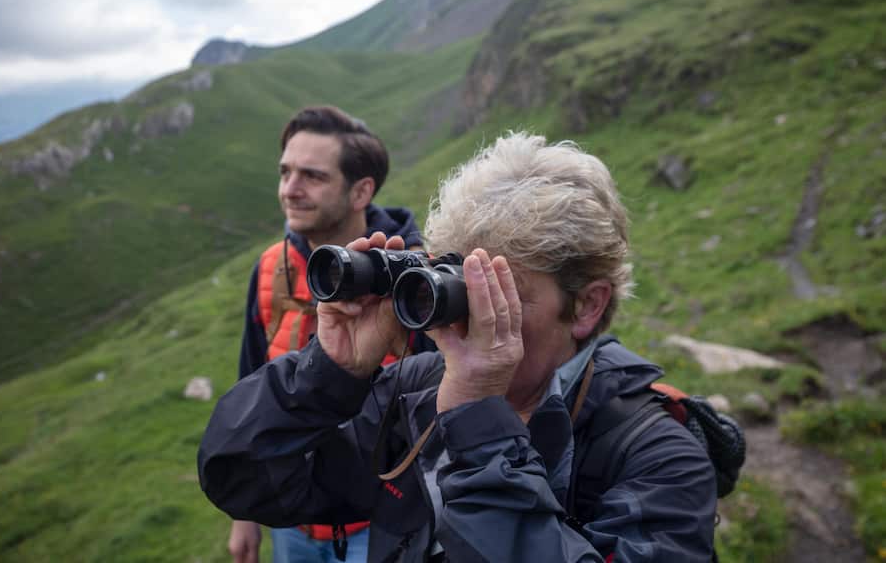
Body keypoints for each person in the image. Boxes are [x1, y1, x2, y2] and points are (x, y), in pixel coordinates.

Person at [201, 132, 718, 562]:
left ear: (585, 306)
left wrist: (479, 424)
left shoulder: (662, 458)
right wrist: (329, 373)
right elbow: (241, 478)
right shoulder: (415, 395)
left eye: (499, 293)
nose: (468, 316)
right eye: (458, 286)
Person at [227, 105, 427, 563]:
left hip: (381, 525)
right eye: (285, 172)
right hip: (291, 517)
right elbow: (251, 387)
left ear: (361, 192)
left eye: (312, 176)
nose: (289, 190)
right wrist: (245, 514)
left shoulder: (412, 283)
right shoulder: (270, 270)